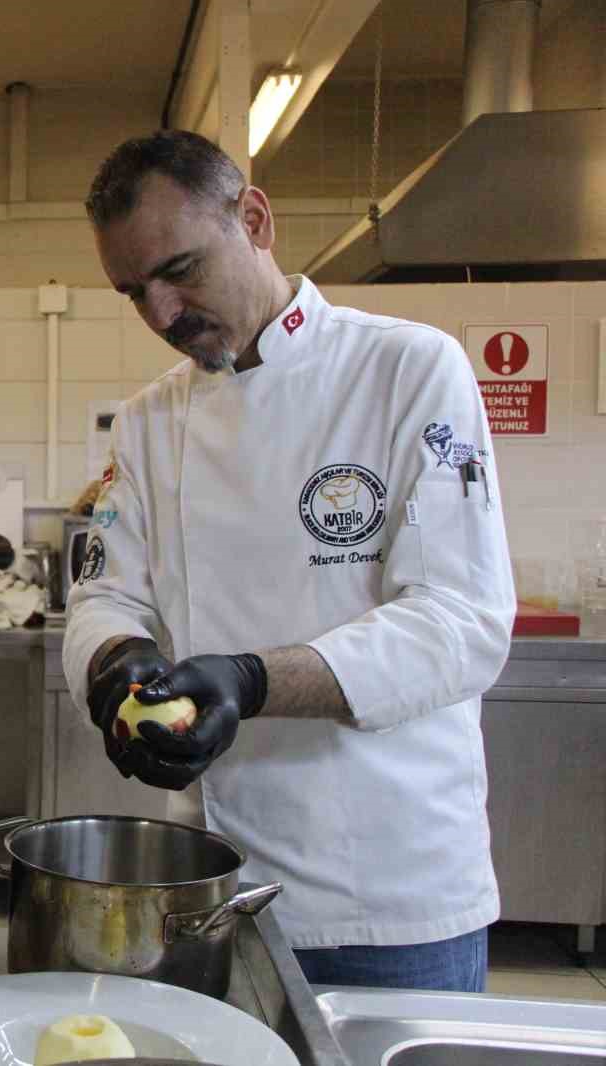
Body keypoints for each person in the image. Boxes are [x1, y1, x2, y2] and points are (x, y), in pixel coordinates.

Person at [63, 130, 515, 992]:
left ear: (256, 219)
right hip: (210, 880)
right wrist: (117, 668)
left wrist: (248, 680)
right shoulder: (150, 421)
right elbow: (104, 595)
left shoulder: (409, 370)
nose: (161, 316)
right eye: (134, 293)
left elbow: (462, 624)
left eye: (181, 272)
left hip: (387, 896)